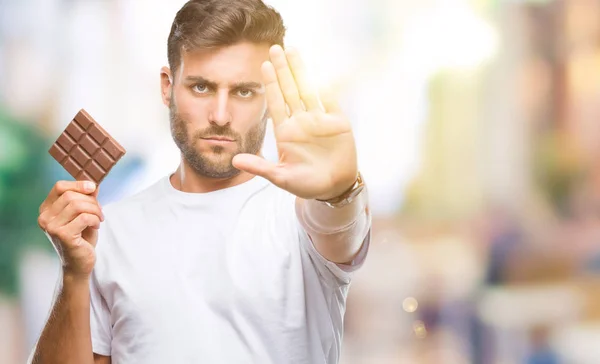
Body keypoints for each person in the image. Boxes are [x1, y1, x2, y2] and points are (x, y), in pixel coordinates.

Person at [31, 0, 371, 363]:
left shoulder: (304, 215)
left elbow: (340, 229)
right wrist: (73, 275)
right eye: (201, 87)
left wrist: (339, 193)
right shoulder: (109, 230)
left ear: (269, 99)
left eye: (243, 92)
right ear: (167, 86)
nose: (220, 116)